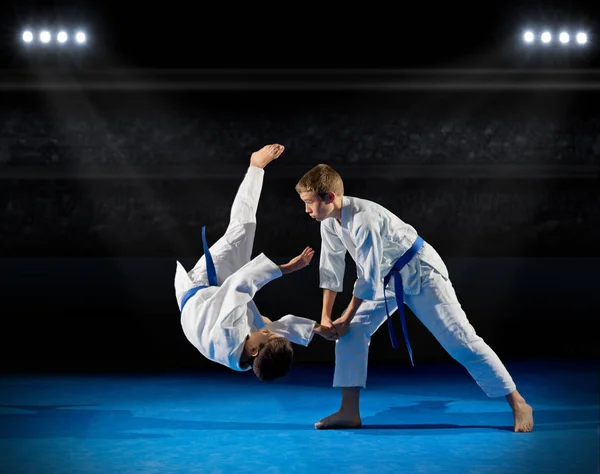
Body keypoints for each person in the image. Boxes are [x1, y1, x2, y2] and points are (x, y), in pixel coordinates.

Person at [295, 163, 534, 432]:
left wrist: (346, 317)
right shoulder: (329, 223)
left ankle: (518, 402)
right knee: (350, 334)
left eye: (309, 202)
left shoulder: (363, 218)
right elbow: (331, 268)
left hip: (421, 273)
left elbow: (368, 277)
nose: (307, 210)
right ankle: (349, 410)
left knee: (461, 340)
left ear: (330, 197)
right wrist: (327, 317)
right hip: (386, 278)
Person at [174, 144, 336, 382]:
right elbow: (270, 329)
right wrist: (316, 328)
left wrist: (288, 268)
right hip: (210, 305)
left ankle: (255, 166)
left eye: (266, 338)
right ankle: (255, 168)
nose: (269, 333)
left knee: (242, 229)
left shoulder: (229, 332)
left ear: (253, 350)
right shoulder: (248, 356)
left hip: (206, 284)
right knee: (262, 325)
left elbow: (240, 283)